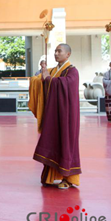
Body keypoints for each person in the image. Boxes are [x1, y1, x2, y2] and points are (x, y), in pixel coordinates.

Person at [29, 43, 81, 190]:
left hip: (67, 116)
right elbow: (39, 80)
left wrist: (48, 79)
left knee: (66, 143)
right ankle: (51, 176)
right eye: (55, 51)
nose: (56, 54)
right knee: (53, 140)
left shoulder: (72, 71)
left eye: (60, 51)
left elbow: (66, 85)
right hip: (54, 114)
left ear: (68, 54)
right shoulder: (54, 70)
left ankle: (69, 178)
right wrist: (44, 73)